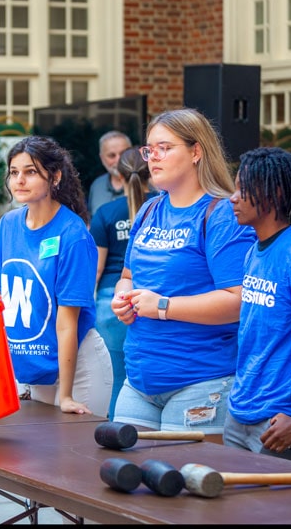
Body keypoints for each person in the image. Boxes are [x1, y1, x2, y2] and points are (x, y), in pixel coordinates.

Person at [110, 108, 256, 440]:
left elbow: (238, 301)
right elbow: (129, 274)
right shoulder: (149, 209)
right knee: (125, 483)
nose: (153, 158)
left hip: (200, 380)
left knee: (184, 486)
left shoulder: (221, 214)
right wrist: (123, 296)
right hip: (140, 380)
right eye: (150, 149)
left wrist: (163, 306)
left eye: (165, 147)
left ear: (196, 151)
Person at [223, 146, 291, 465]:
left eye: (243, 188)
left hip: (281, 421)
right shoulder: (253, 251)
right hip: (239, 412)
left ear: (275, 192)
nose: (233, 197)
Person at [0, 135, 113, 416]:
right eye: (14, 172)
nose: (19, 180)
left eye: (31, 172)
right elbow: (5, 300)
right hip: (33, 369)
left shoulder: (73, 235)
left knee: (76, 457)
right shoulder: (8, 225)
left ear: (55, 176)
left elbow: (66, 322)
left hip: (77, 368)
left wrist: (67, 395)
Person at [89, 146, 157, 419]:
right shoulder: (164, 208)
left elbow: (97, 269)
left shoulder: (106, 213)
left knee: (118, 379)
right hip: (152, 299)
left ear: (119, 174)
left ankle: (118, 432)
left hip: (112, 301)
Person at [87, 130, 132, 216]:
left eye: (123, 153)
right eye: (112, 155)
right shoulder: (97, 185)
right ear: (102, 158)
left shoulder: (145, 184)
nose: (118, 160)